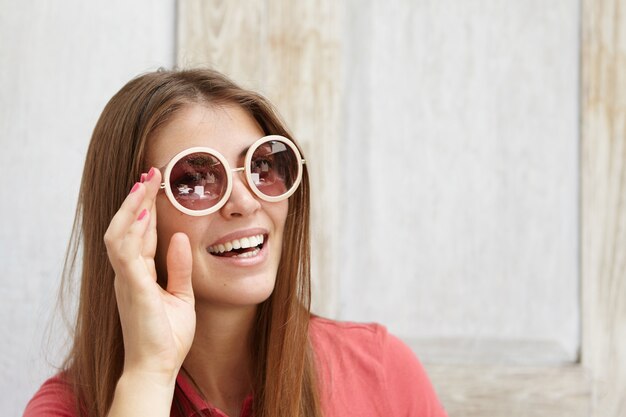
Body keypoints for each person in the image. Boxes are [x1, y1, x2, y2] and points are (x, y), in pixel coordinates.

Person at [23, 69, 447, 417]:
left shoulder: (380, 370)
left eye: (262, 165)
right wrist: (149, 372)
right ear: (134, 220)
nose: (245, 202)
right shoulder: (65, 409)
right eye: (194, 180)